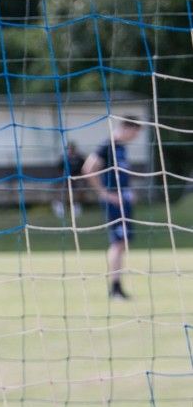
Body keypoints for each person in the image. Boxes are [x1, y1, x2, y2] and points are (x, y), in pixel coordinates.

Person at [81, 117, 142, 300]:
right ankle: (115, 288)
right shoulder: (107, 146)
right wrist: (105, 193)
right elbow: (88, 168)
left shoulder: (122, 148)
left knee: (122, 243)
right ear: (125, 128)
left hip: (124, 201)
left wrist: (129, 192)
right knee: (117, 243)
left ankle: (117, 287)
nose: (135, 136)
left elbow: (120, 176)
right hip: (114, 203)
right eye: (134, 132)